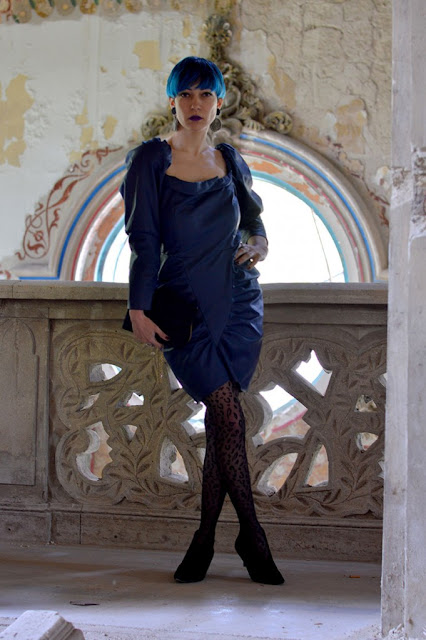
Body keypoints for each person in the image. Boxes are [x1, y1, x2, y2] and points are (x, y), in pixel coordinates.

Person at [120, 56, 284, 586]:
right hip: (184, 305)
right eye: (186, 94)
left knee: (223, 421)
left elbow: (253, 218)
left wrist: (258, 245)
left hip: (238, 301)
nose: (196, 104)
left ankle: (206, 540)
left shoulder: (229, 159)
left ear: (219, 102)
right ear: (171, 100)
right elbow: (143, 239)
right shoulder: (151, 158)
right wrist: (138, 308)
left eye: (205, 94)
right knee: (228, 416)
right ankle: (251, 535)